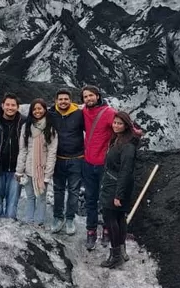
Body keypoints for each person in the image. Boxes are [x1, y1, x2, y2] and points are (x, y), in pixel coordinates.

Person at [99, 112, 139, 269]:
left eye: (120, 123)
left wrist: (118, 194)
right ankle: (121, 252)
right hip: (114, 183)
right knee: (119, 217)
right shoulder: (119, 139)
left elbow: (126, 171)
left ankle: (115, 256)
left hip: (116, 186)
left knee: (110, 219)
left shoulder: (127, 146)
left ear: (127, 125)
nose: (116, 125)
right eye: (114, 123)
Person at [80, 85, 116, 250]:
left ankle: (107, 230)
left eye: (91, 96)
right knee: (90, 199)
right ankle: (91, 231)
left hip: (104, 164)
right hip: (88, 163)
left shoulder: (108, 113)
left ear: (98, 96)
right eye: (85, 97)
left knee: (106, 199)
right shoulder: (84, 112)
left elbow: (123, 124)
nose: (88, 99)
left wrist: (136, 134)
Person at [16, 99, 58, 226]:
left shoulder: (50, 128)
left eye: (40, 108)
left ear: (45, 109)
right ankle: (29, 222)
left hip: (42, 170)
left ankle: (39, 222)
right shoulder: (26, 126)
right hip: (28, 169)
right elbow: (23, 149)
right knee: (30, 197)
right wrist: (19, 170)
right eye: (34, 109)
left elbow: (52, 153)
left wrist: (47, 174)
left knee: (41, 198)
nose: (37, 111)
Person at [49, 89, 85, 235]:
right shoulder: (51, 114)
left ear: (70, 100)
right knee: (58, 190)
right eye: (60, 99)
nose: (63, 101)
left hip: (76, 159)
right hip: (58, 159)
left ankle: (70, 218)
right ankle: (58, 217)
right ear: (56, 100)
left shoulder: (79, 114)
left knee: (74, 191)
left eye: (66, 99)